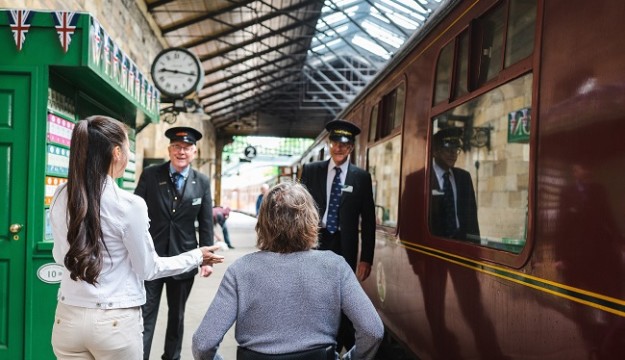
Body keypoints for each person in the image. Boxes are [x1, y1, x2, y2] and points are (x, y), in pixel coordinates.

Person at [49, 115, 224, 360]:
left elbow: (60, 255)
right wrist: (197, 256)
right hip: (114, 324)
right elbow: (148, 268)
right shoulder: (130, 203)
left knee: (178, 316)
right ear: (117, 152)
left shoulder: (59, 194)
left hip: (67, 319)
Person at [191, 182, 384, 360]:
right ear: (311, 220)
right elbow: (372, 331)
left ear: (263, 223)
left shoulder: (241, 270)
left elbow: (203, 343)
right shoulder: (335, 266)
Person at [135, 126, 215, 360]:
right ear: (169, 150)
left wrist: (206, 259)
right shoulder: (151, 175)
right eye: (177, 147)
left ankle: (172, 357)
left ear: (194, 152)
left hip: (184, 259)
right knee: (145, 313)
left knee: (177, 315)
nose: (182, 152)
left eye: (187, 148)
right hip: (152, 258)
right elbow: (135, 212)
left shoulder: (201, 181)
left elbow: (206, 221)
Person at [299, 119, 376, 352]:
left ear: (351, 147)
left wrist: (366, 258)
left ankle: (340, 342)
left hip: (346, 245)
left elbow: (369, 221)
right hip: (316, 242)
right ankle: (317, 339)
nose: (338, 148)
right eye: (335, 142)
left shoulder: (361, 177)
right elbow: (300, 210)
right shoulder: (312, 171)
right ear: (329, 144)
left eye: (344, 144)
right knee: (315, 291)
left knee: (342, 295)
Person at [429, 127, 480, 241]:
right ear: (435, 151)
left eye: (456, 149)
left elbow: (472, 220)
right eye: (448, 149)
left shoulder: (464, 178)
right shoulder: (423, 178)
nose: (453, 154)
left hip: (460, 243)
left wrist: (476, 249)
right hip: (433, 246)